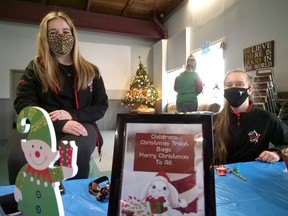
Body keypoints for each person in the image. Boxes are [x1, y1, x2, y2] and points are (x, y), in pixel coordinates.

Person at [7, 10, 108, 185]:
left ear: (73, 35)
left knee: (70, 156)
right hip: (39, 123)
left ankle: (71, 203)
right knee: (19, 158)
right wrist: (59, 123)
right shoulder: (36, 68)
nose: (60, 37)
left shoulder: (91, 71)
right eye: (53, 33)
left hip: (79, 124)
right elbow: (23, 103)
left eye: (65, 32)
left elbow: (100, 106)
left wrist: (72, 115)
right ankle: (23, 202)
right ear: (45, 39)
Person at [213, 69, 288, 164]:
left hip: (254, 174)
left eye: (239, 84)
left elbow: (286, 143)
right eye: (229, 85)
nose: (233, 88)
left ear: (250, 90)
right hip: (222, 175)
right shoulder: (214, 120)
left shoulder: (266, 118)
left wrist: (277, 153)